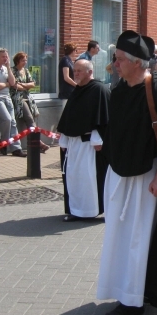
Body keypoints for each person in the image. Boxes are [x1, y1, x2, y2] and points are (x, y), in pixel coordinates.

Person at [97, 30, 157, 315]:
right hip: (120, 178)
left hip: (146, 180)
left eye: (120, 59)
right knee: (120, 237)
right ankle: (132, 288)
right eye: (115, 59)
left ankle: (133, 300)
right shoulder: (120, 91)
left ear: (137, 62)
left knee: (137, 238)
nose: (115, 64)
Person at [57, 59, 110, 222]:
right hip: (74, 146)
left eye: (79, 70)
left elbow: (105, 119)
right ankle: (77, 210)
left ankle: (97, 209)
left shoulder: (99, 90)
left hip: (90, 146)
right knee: (74, 179)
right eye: (75, 70)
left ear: (90, 72)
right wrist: (64, 139)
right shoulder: (77, 91)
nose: (76, 73)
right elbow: (68, 118)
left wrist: (98, 139)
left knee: (90, 180)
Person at [0, 48, 26, 157]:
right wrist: (7, 84)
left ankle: (16, 149)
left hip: (7, 98)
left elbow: (13, 83)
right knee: (7, 119)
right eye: (3, 56)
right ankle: (3, 143)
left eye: (6, 56)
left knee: (13, 122)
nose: (5, 58)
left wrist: (8, 67)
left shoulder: (6, 68)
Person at [10, 52, 50, 153]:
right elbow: (15, 86)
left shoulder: (26, 71)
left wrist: (23, 84)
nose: (25, 62)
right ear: (18, 61)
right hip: (18, 98)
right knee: (29, 118)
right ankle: (38, 143)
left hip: (27, 96)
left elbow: (33, 84)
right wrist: (24, 85)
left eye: (26, 60)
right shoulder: (12, 71)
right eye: (23, 60)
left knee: (34, 116)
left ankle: (36, 141)